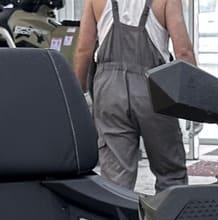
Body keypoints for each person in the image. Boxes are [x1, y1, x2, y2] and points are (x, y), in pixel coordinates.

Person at [73, 0, 196, 191]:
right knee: (170, 172)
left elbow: (83, 50)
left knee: (115, 177)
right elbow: (183, 52)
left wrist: (79, 94)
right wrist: (195, 98)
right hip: (155, 88)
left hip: (109, 90)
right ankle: (170, 209)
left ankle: (118, 210)